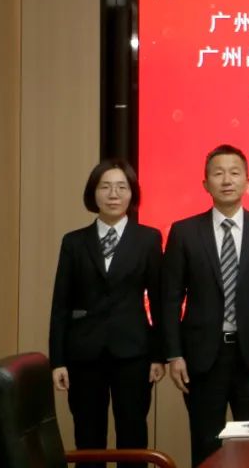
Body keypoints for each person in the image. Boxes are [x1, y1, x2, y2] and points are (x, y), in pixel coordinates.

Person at [162, 145, 249, 467]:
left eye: (234, 173)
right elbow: (171, 298)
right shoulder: (184, 231)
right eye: (218, 173)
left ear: (248, 180)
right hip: (202, 358)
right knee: (206, 445)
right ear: (206, 183)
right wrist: (174, 354)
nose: (227, 180)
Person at [48, 159, 164, 468]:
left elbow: (159, 300)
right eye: (105, 187)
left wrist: (158, 355)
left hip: (134, 353)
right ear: (93, 193)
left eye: (121, 187)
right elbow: (61, 305)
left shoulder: (148, 239)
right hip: (84, 354)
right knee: (88, 439)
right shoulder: (74, 242)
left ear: (132, 193)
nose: (113, 194)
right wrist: (58, 360)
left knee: (133, 437)